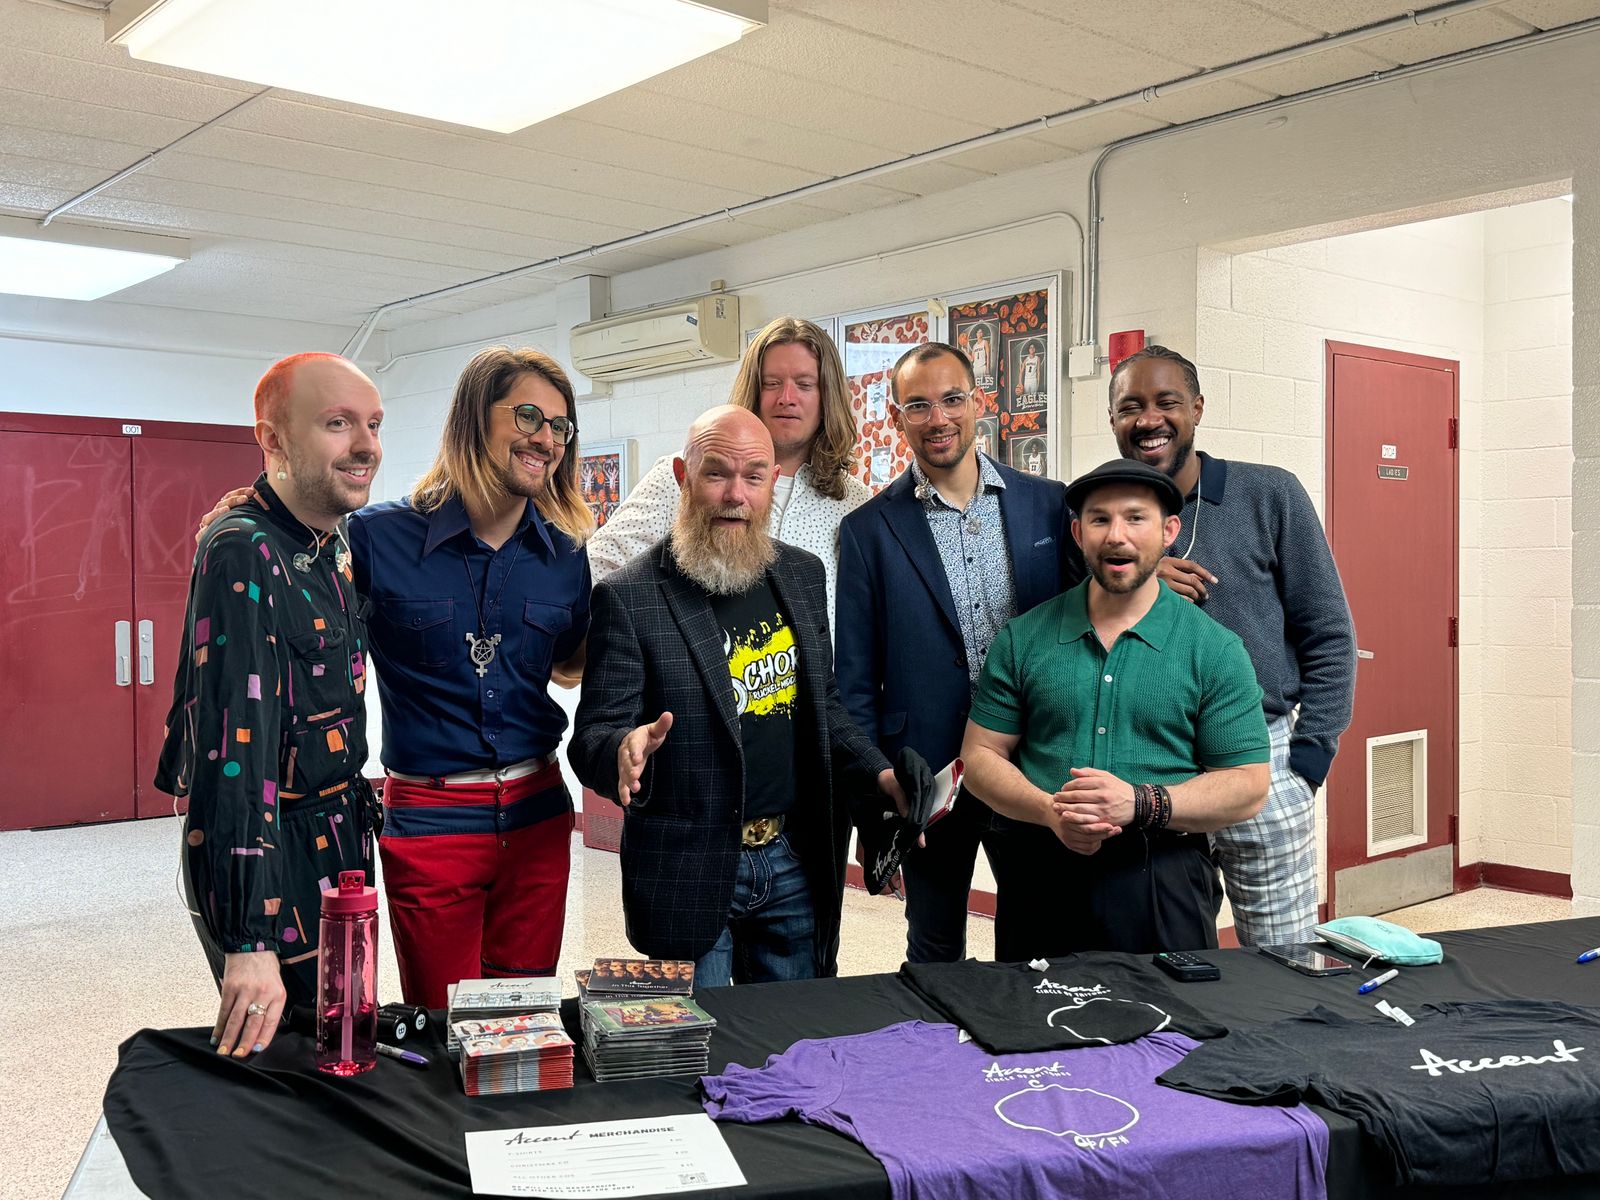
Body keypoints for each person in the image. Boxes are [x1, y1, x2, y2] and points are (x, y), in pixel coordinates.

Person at [200, 347, 594, 1008]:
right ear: (475, 419)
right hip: (433, 817)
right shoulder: (374, 538)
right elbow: (299, 561)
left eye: (560, 426)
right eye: (528, 416)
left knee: (522, 1020)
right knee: (441, 1023)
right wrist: (249, 513)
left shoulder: (564, 554)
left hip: (539, 816)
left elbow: (570, 662)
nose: (546, 439)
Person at [569, 405, 903, 986]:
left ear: (773, 482)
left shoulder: (802, 575)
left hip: (794, 859)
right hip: (688, 865)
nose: (735, 495)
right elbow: (593, 736)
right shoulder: (630, 596)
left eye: (753, 476)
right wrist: (621, 751)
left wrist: (881, 773)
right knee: (700, 1038)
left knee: (791, 1031)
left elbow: (824, 706)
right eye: (716, 473)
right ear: (683, 477)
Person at [157, 352, 383, 1059]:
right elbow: (233, 750)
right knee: (288, 1061)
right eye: (338, 423)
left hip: (340, 836)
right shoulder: (242, 549)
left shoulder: (330, 542)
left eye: (374, 424)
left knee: (344, 1044)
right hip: (270, 850)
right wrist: (249, 938)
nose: (366, 445)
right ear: (273, 439)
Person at [960, 458, 1270, 957]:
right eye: (1100, 519)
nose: (1116, 536)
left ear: (1169, 531)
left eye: (1135, 518)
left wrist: (1141, 803)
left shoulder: (1215, 649)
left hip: (1164, 873)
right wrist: (1050, 811)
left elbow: (1248, 784)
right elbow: (979, 757)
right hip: (1041, 868)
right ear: (1078, 534)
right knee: (1032, 1006)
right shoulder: (1023, 637)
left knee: (1172, 1006)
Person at [835, 342, 1079, 964]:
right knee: (934, 943)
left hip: (1031, 759)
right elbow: (855, 680)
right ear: (897, 419)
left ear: (979, 402)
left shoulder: (1048, 504)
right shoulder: (868, 530)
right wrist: (874, 794)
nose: (937, 418)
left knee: (1034, 941)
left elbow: (1089, 616)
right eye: (917, 405)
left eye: (951, 399)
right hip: (928, 772)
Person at [1108, 345, 1356, 944]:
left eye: (1167, 402)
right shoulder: (1103, 514)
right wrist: (1140, 576)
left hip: (1262, 755)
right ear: (1112, 418)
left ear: (1196, 409)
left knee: (1283, 956)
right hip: (1151, 762)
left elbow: (1329, 633)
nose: (1149, 420)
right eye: (1130, 406)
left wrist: (1310, 759)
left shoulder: (1270, 494)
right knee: (1166, 953)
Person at [585, 316, 870, 621]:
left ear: (827, 396)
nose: (787, 399)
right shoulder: (680, 477)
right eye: (771, 383)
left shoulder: (854, 503)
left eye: (804, 385)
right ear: (754, 390)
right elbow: (596, 568)